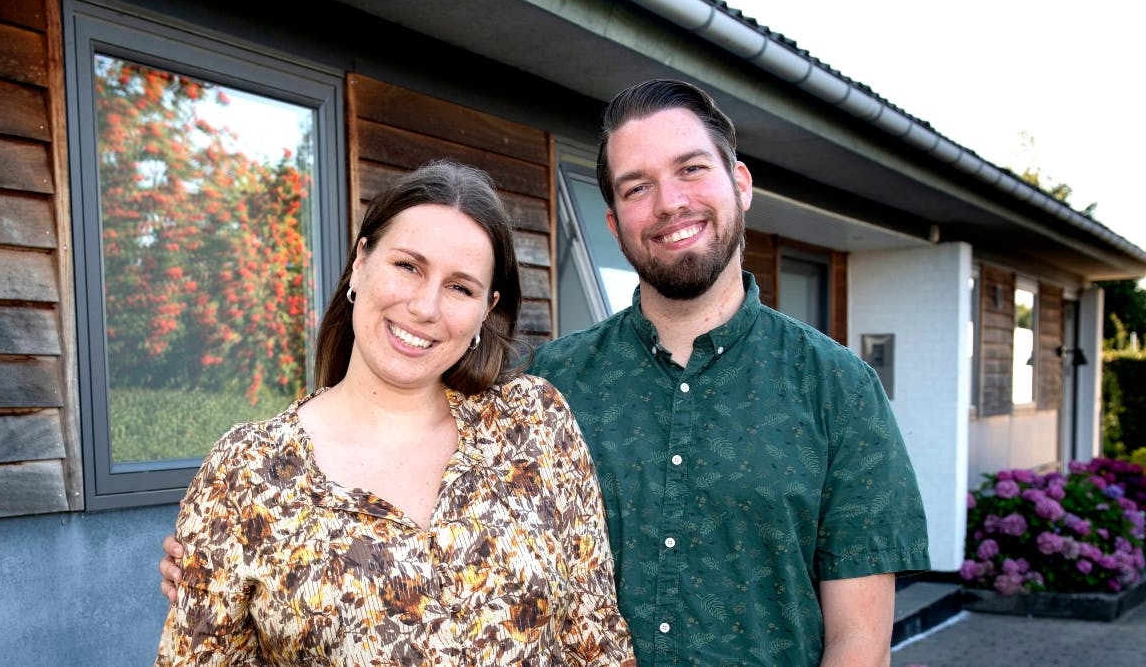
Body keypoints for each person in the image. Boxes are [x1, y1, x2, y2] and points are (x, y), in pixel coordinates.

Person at [162, 81, 930, 665]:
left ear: (741, 183)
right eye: (636, 187)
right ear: (614, 220)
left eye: (691, 170)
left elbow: (859, 643)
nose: (668, 203)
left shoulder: (838, 389)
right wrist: (230, 556)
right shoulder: (549, 388)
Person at [154, 160, 635, 666]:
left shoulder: (534, 426)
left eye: (460, 287)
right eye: (408, 266)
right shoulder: (249, 470)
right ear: (361, 262)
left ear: (485, 311)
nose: (426, 306)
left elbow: (595, 637)